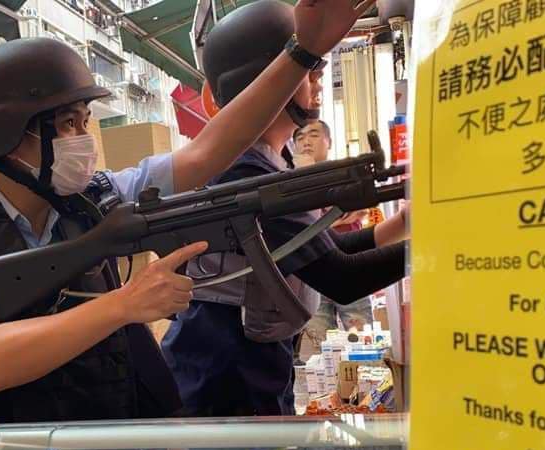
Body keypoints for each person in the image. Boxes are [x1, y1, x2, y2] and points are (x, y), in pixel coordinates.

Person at [0, 0, 377, 443]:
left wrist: (302, 53)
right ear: (5, 133)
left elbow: (207, 153)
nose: (83, 138)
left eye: (85, 121)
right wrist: (126, 304)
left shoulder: (95, 199)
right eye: (66, 124)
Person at [161, 0, 409, 418]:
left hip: (242, 361)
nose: (317, 78)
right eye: (307, 67)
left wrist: (404, 222)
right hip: (226, 373)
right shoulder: (245, 172)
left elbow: (325, 250)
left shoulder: (268, 162)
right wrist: (436, 246)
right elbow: (341, 277)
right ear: (266, 81)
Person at [293, 120, 376, 357]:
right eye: (299, 137)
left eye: (313, 134)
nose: (306, 141)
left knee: (362, 341)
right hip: (314, 272)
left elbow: (357, 210)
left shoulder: (345, 174)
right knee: (321, 351)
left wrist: (319, 223)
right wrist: (332, 220)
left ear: (328, 141)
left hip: (351, 264)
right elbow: (297, 227)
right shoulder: (290, 183)